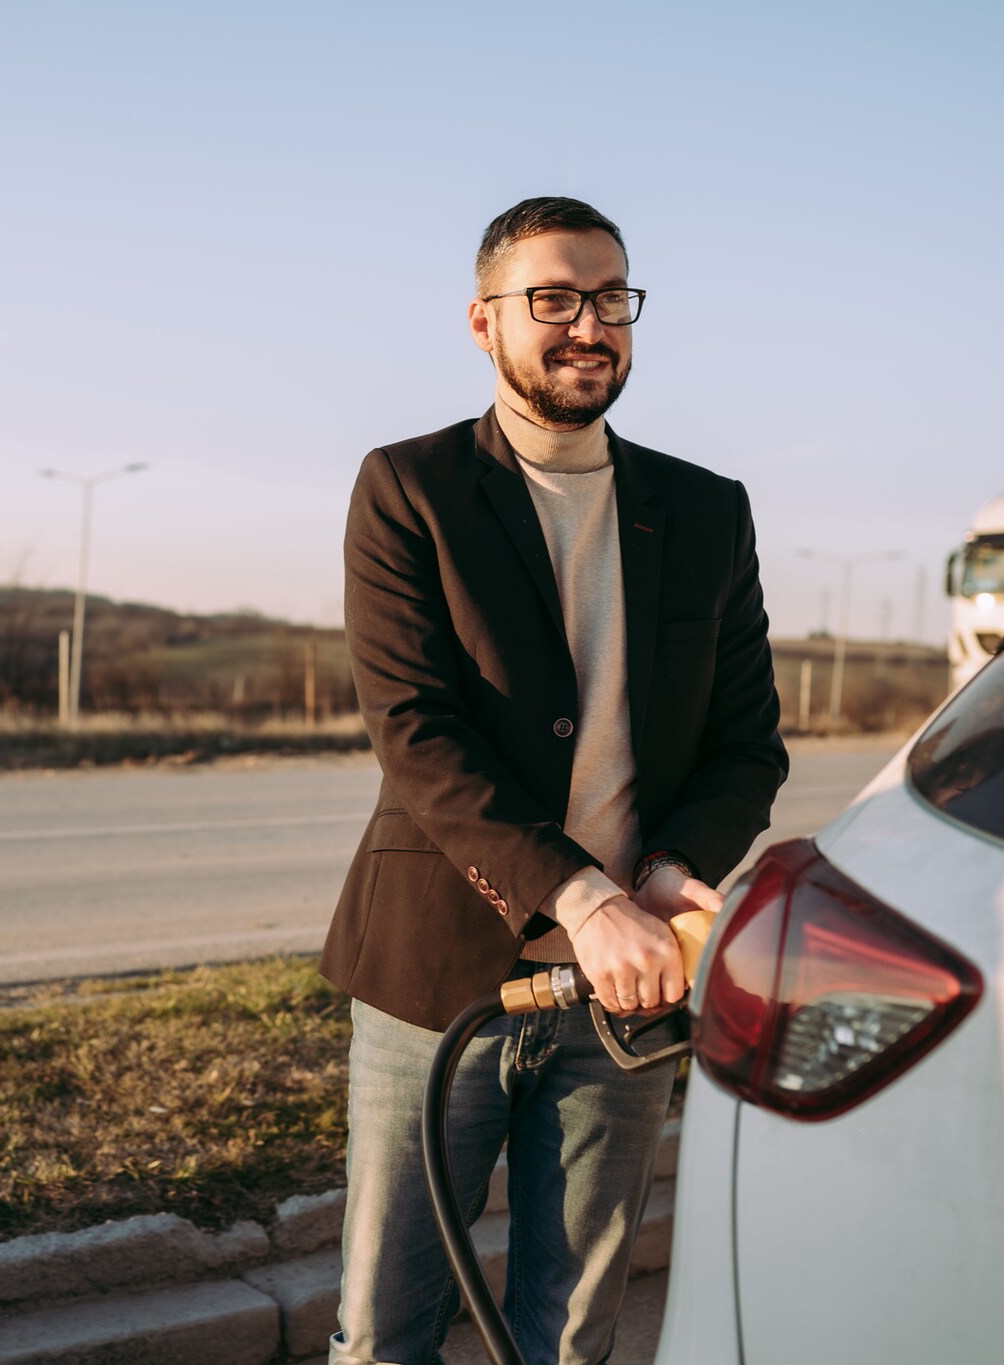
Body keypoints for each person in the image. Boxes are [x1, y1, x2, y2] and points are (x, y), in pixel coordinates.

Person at [320, 196, 787, 1365]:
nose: (588, 326)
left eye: (610, 299)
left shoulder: (705, 508)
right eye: (554, 300)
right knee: (385, 1328)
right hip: (437, 976)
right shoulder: (405, 487)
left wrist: (672, 871)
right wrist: (583, 901)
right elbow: (415, 732)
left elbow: (746, 744)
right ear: (484, 324)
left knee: (569, 1333)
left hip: (625, 998)